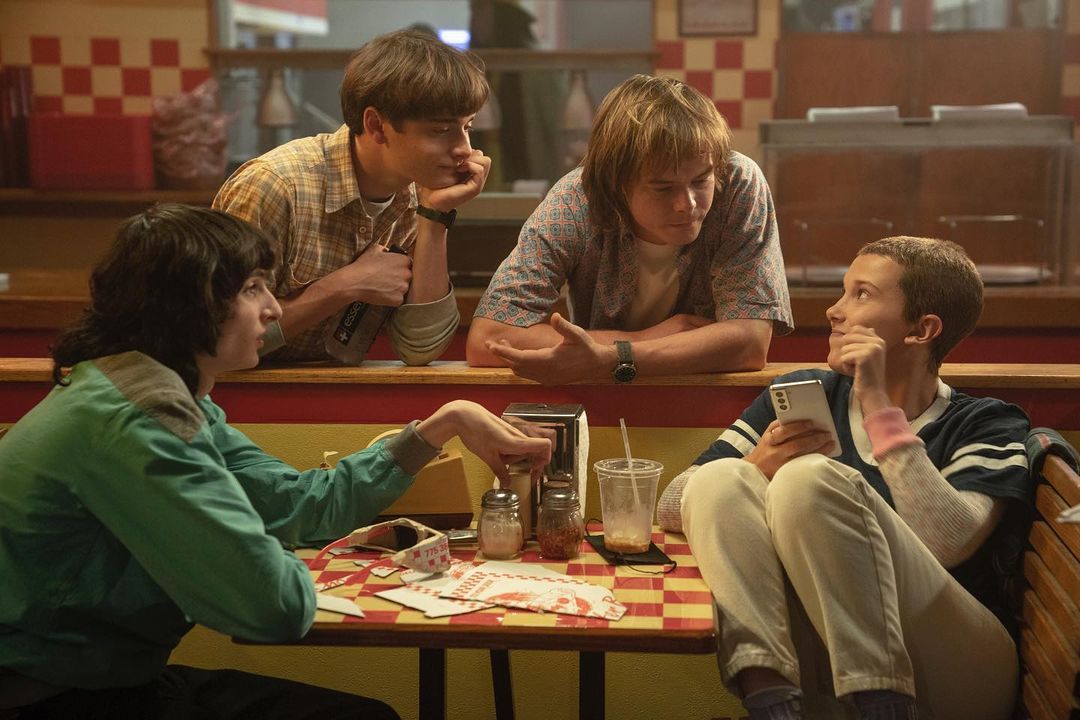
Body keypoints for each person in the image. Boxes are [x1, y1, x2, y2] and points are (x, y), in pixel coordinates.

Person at [0, 205, 551, 719]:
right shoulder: (142, 417)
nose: (274, 307)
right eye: (252, 288)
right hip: (51, 697)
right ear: (188, 305)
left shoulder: (151, 392)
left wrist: (443, 423)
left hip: (102, 680)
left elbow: (301, 505)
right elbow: (274, 606)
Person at [657, 237, 1031, 719]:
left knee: (807, 479)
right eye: (843, 291)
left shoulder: (985, 423)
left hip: (962, 668)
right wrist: (757, 466)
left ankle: (882, 698)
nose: (834, 311)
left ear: (922, 329)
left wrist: (877, 403)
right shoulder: (801, 393)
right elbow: (674, 503)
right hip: (830, 667)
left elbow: (947, 542)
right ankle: (768, 694)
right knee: (722, 478)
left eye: (862, 294)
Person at [466, 74, 792, 385]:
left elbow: (750, 342)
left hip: (709, 400)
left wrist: (610, 358)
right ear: (615, 182)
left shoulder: (737, 183)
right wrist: (642, 341)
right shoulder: (576, 200)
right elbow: (488, 338)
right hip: (601, 402)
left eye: (700, 181)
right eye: (663, 188)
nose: (687, 204)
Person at [214, 28, 492, 364]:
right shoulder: (275, 185)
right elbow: (222, 342)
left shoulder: (418, 192)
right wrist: (343, 287)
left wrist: (435, 216)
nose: (464, 149)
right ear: (375, 126)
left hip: (329, 391)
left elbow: (420, 349)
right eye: (440, 130)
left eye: (467, 126)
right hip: (238, 394)